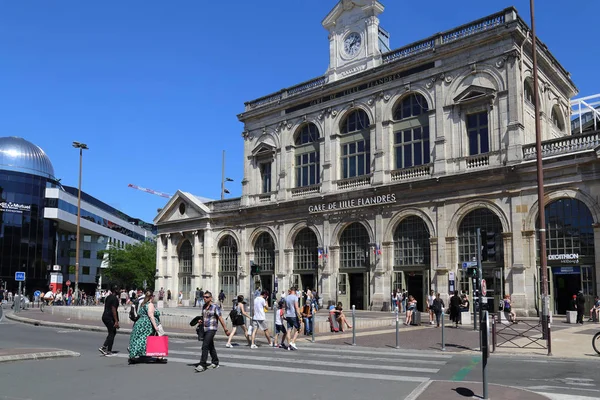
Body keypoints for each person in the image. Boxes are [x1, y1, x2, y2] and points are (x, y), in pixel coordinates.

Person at [195, 291, 230, 373]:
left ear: (210, 298)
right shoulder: (203, 306)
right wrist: (200, 321)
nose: (204, 298)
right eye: (204, 297)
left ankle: (202, 364)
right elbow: (203, 317)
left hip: (212, 328)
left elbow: (220, 318)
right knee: (210, 346)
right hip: (205, 328)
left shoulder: (215, 307)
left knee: (205, 345)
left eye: (206, 297)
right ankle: (215, 362)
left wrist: (225, 329)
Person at [128, 290, 164, 363]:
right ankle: (159, 356)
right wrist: (155, 326)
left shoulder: (143, 304)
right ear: (151, 297)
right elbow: (151, 316)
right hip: (147, 324)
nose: (154, 297)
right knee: (155, 338)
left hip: (140, 323)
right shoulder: (150, 304)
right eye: (153, 296)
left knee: (140, 339)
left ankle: (133, 354)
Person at [99, 287, 120, 356]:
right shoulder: (115, 299)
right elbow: (113, 309)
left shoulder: (108, 297)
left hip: (105, 316)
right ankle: (105, 348)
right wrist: (116, 321)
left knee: (112, 332)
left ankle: (108, 349)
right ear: (116, 291)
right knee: (112, 333)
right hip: (109, 317)